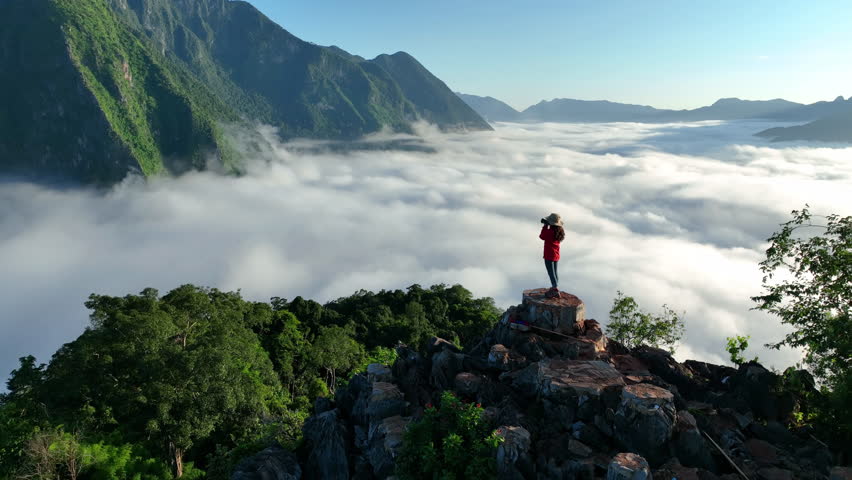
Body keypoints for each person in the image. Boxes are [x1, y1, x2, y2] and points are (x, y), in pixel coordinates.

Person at [539, 213, 565, 297]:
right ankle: (555, 287)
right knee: (555, 272)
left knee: (551, 272)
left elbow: (542, 236)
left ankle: (555, 288)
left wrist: (545, 226)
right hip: (556, 255)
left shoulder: (549, 232)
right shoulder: (559, 232)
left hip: (549, 255)